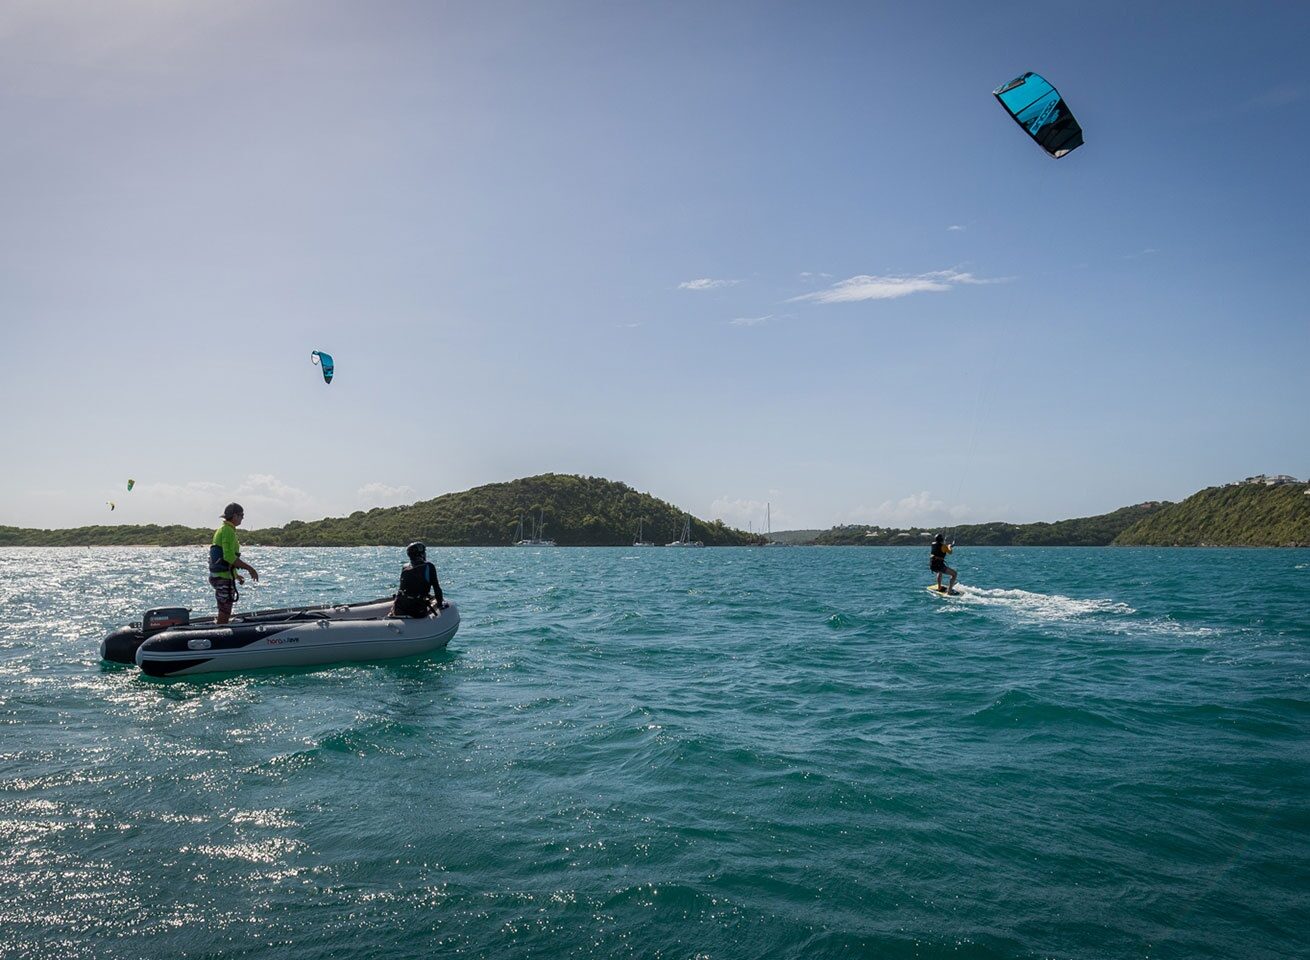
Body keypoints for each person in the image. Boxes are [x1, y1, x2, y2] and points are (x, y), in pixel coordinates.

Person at [209, 502, 259, 624]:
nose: (242, 518)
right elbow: (229, 556)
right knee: (225, 610)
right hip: (223, 577)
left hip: (223, 575)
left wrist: (236, 575)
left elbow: (228, 558)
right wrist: (250, 568)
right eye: (242, 515)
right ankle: (220, 633)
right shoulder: (227, 531)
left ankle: (221, 626)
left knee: (225, 608)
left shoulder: (224, 529)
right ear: (235, 516)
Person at [391, 541, 446, 618]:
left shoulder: (405, 567)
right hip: (416, 607)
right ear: (421, 554)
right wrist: (440, 605)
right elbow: (436, 588)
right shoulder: (429, 566)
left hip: (400, 605)